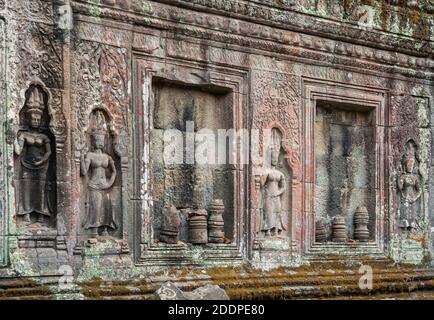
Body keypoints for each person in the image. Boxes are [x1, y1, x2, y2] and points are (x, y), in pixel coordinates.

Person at [14, 86, 52, 225]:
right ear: (28, 118)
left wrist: (42, 160)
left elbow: (49, 151)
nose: (35, 121)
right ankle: (26, 214)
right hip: (26, 164)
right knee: (26, 187)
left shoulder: (43, 136)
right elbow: (18, 151)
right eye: (33, 119)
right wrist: (13, 138)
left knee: (41, 188)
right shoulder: (24, 135)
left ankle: (41, 214)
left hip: (41, 166)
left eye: (38, 119)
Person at [81, 111, 117, 238]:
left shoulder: (107, 157)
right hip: (94, 185)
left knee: (107, 206)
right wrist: (81, 157)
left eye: (102, 139)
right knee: (96, 207)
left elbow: (114, 171)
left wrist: (110, 183)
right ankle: (95, 230)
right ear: (93, 141)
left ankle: (105, 229)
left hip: (105, 185)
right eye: (97, 139)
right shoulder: (90, 155)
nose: (100, 142)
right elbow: (84, 172)